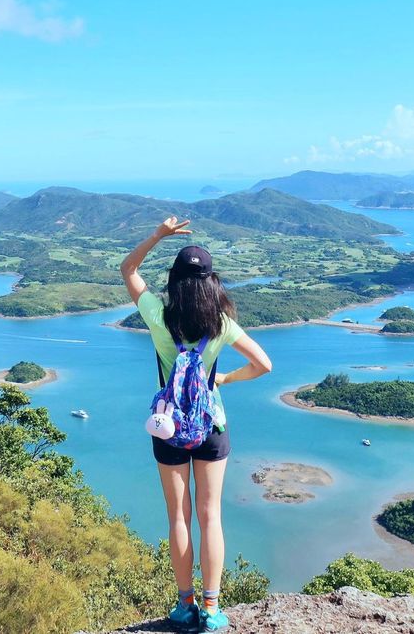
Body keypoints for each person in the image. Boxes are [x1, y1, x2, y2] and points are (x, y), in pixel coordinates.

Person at [120, 216, 272, 633]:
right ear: (212, 284)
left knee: (179, 518)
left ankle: (184, 607)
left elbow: (128, 270)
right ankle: (211, 609)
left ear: (174, 282)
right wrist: (223, 378)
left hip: (168, 428)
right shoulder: (221, 325)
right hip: (211, 427)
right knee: (210, 516)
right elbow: (264, 364)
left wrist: (157, 235)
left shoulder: (157, 315)